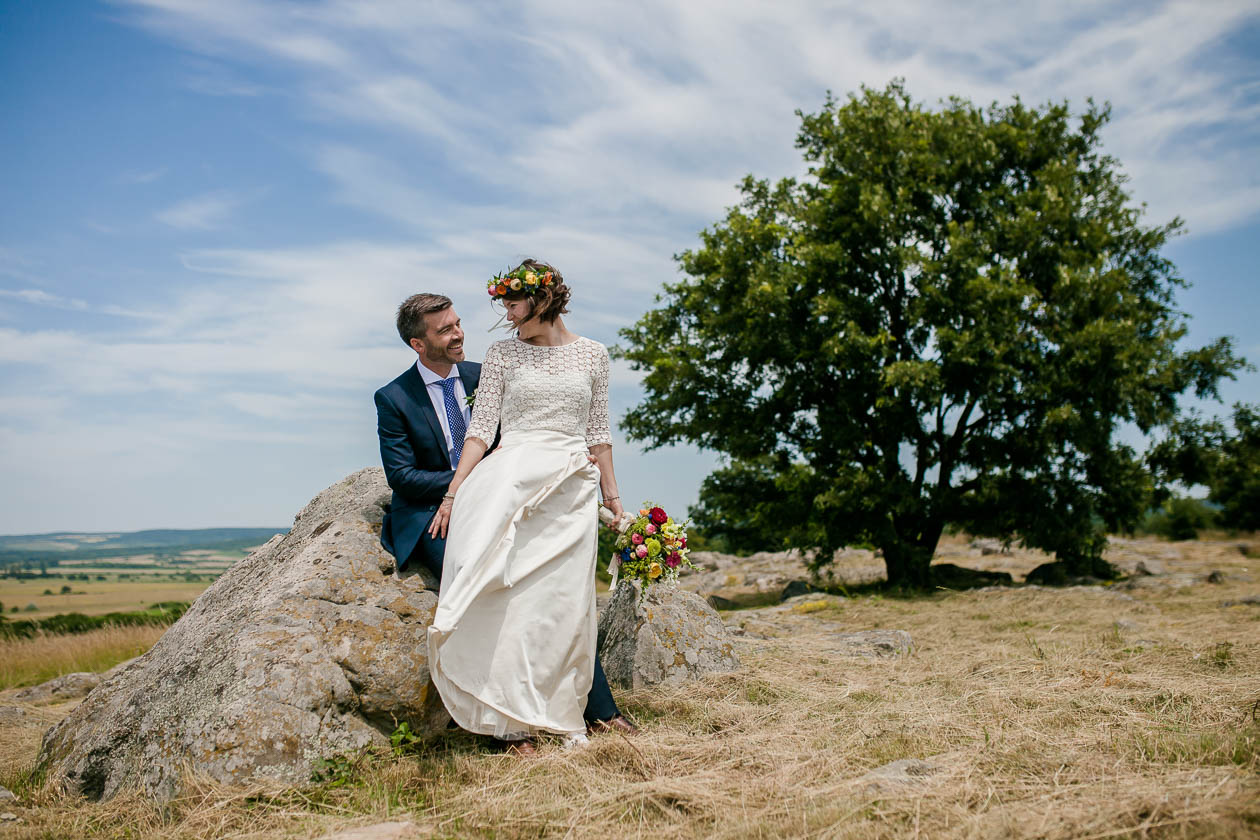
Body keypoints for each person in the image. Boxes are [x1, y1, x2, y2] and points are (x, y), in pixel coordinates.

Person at [374, 286, 636, 754]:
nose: (459, 333)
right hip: (435, 514)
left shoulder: (488, 370)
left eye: (457, 323)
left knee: (556, 589)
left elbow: (553, 433)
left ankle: (597, 709)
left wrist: (567, 473)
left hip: (518, 496)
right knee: (494, 583)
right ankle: (503, 725)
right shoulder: (394, 397)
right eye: (446, 330)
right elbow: (403, 477)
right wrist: (466, 486)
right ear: (419, 343)